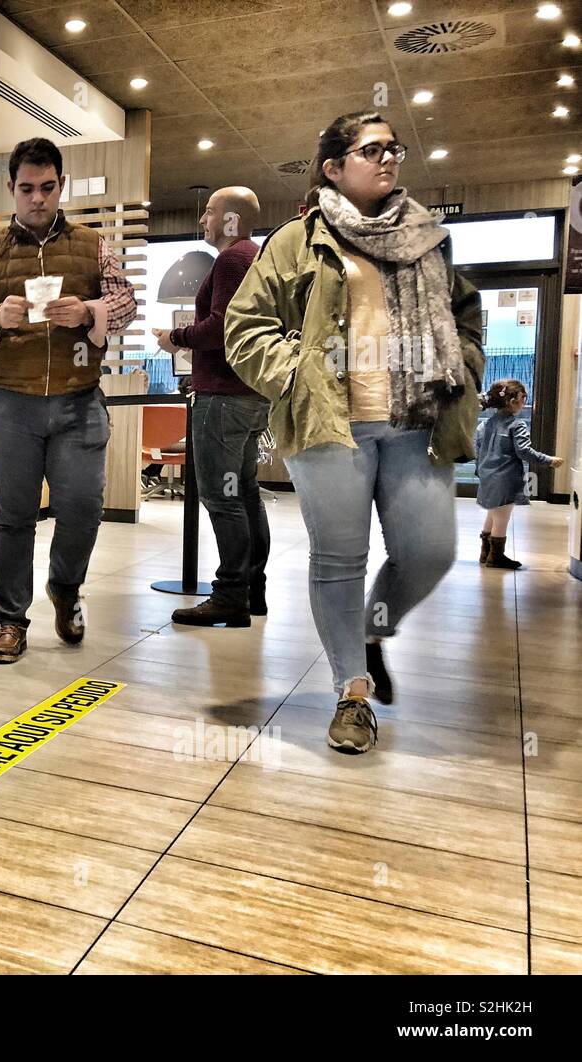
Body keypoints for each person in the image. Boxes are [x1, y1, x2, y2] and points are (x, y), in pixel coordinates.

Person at [226, 110, 485, 754]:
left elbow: (465, 314)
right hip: (329, 424)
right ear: (334, 168)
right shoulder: (295, 241)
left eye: (393, 148)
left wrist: (465, 364)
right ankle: (353, 690)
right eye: (372, 150)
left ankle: (375, 627)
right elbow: (244, 325)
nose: (389, 159)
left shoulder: (427, 238)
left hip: (415, 420)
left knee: (428, 551)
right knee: (339, 561)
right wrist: (295, 373)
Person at [0, 137, 137, 664]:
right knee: (14, 516)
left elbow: (126, 303)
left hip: (78, 402)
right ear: (11, 188)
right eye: (26, 189)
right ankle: (9, 619)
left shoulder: (93, 245)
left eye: (47, 188)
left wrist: (91, 310)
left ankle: (65, 588)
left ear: (61, 186)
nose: (37, 199)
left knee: (82, 508)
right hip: (8, 403)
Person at [153, 186, 268, 628]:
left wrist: (174, 338)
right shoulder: (255, 257)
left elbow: (221, 329)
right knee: (246, 494)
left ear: (232, 219)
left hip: (222, 398)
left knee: (223, 499)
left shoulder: (232, 259)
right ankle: (250, 590)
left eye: (209, 211)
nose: (203, 219)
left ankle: (230, 596)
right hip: (248, 395)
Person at [475, 378, 564, 570]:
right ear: (512, 401)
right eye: (523, 397)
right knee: (502, 517)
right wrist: (549, 460)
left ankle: (485, 552)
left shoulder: (485, 425)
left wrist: (480, 471)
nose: (525, 402)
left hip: (487, 475)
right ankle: (496, 556)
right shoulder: (517, 425)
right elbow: (524, 451)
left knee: (492, 513)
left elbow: (479, 449)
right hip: (505, 477)